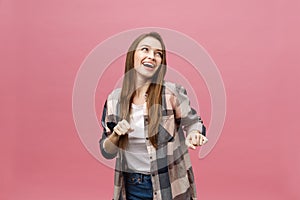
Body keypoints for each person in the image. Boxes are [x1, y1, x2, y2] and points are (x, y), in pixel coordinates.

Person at [99, 32, 208, 200]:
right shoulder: (114, 100)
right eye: (145, 50)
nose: (152, 56)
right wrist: (115, 135)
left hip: (170, 188)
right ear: (132, 56)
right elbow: (107, 151)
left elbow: (194, 122)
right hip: (130, 188)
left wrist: (195, 134)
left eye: (159, 54)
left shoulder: (171, 93)